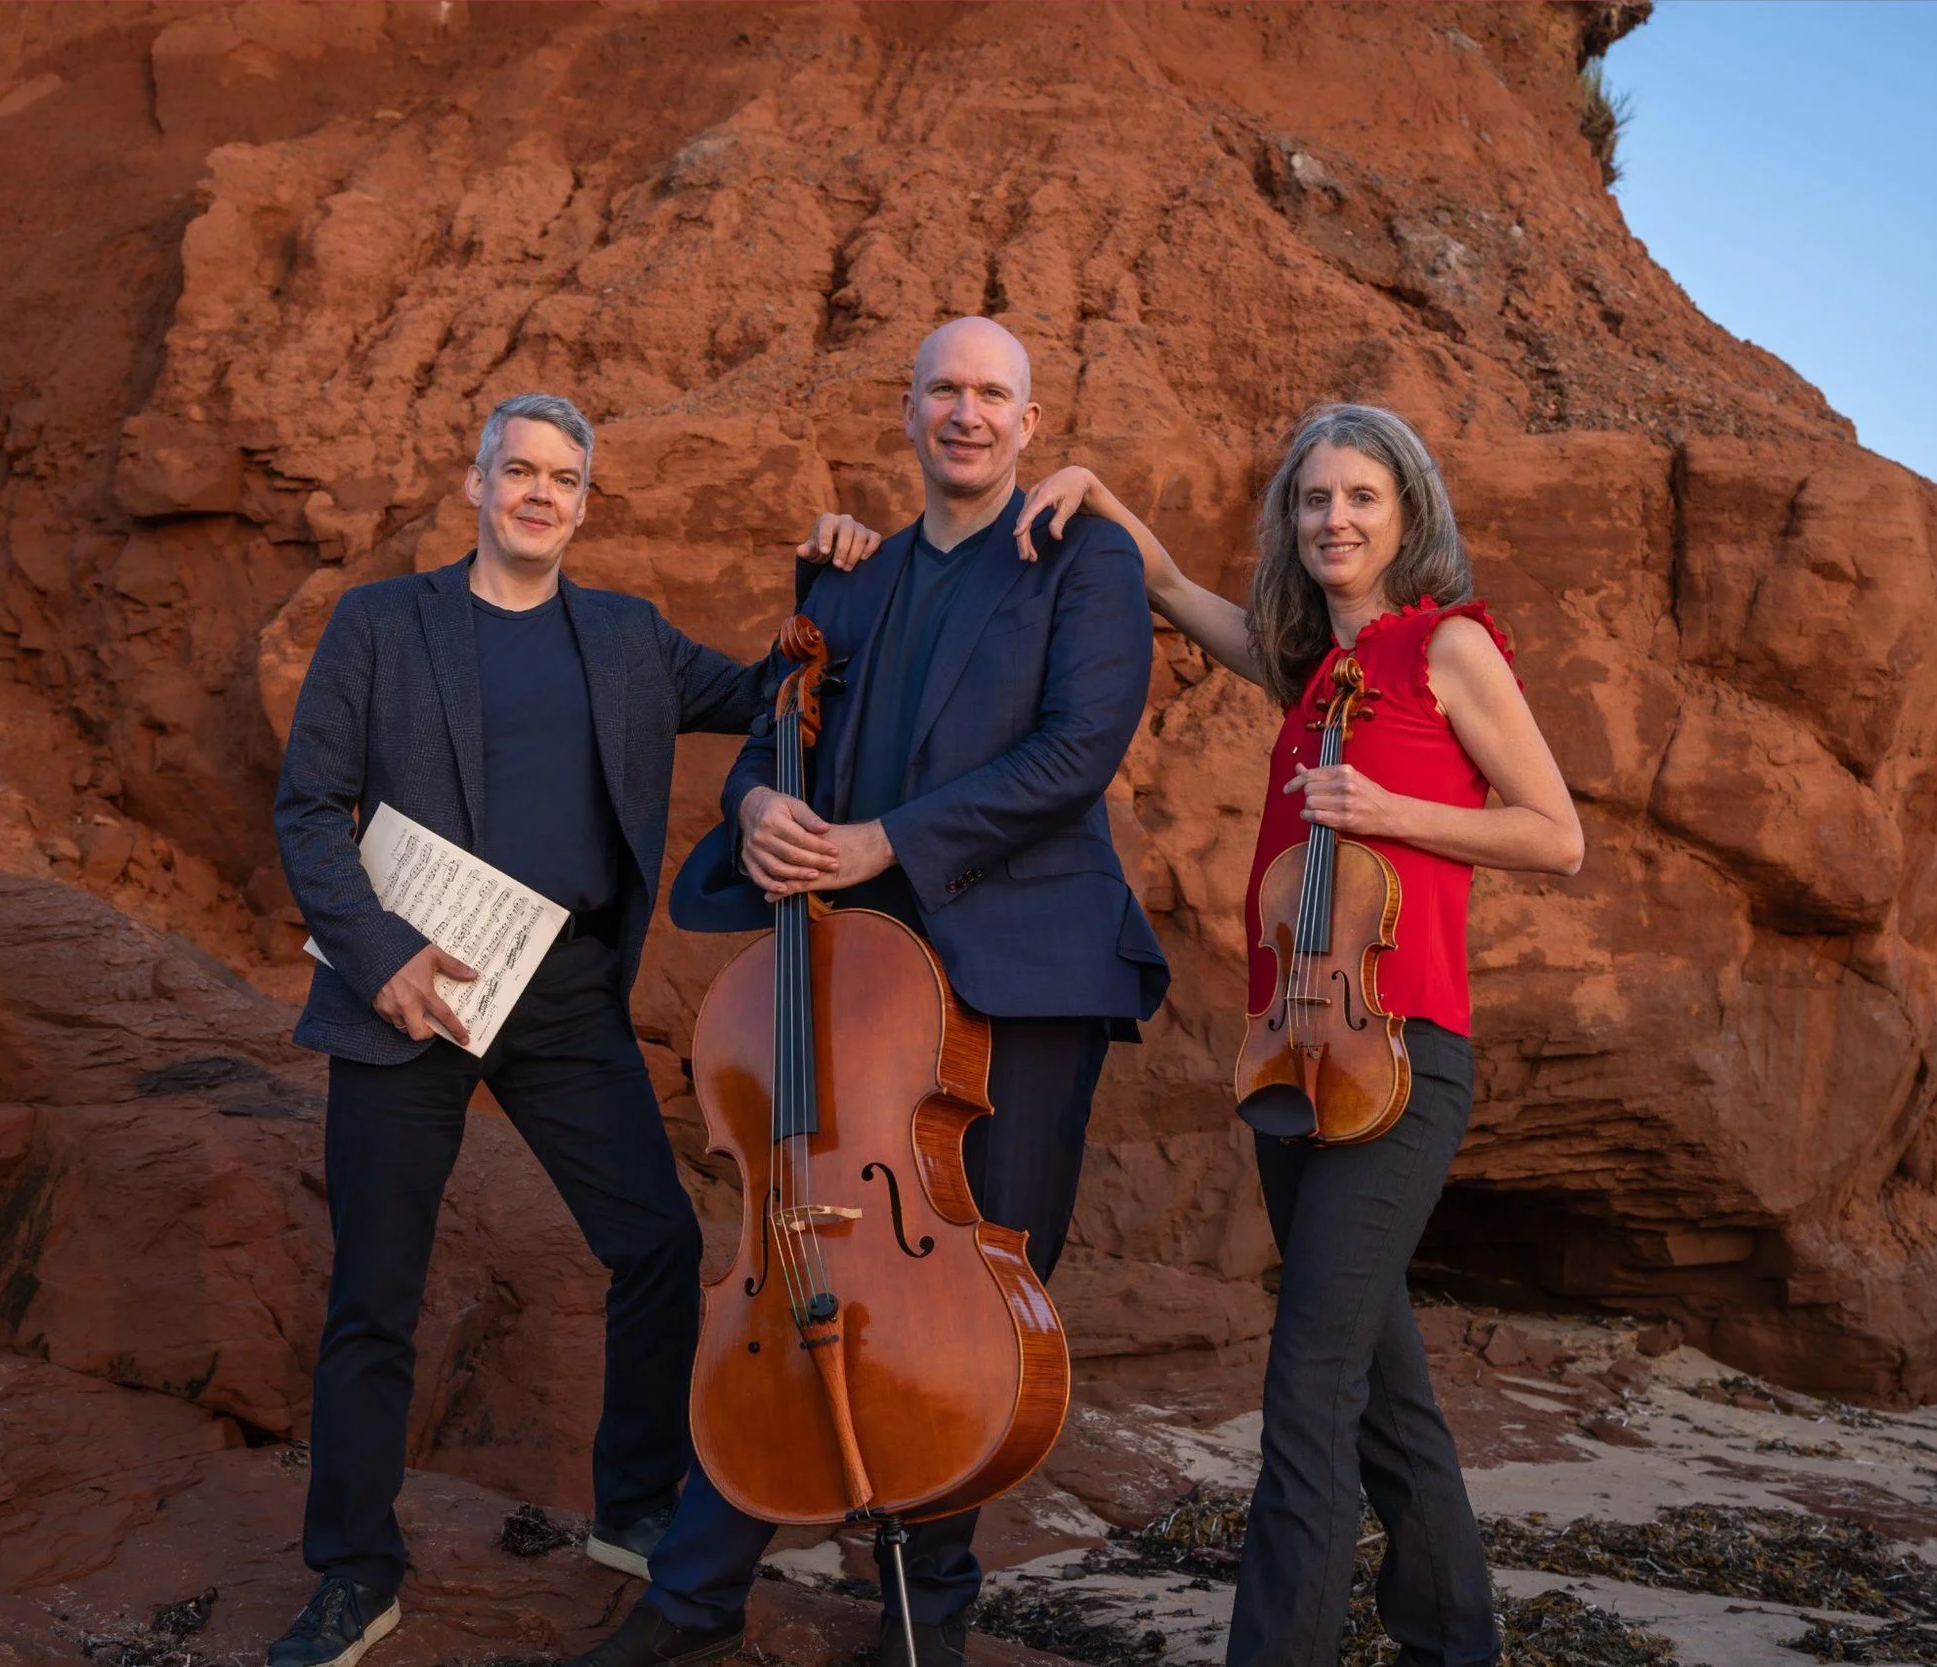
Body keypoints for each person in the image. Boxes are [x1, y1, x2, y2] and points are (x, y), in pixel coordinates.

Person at [568, 317, 1168, 1667]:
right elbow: (767, 744)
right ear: (908, 412)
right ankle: (695, 1593)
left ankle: (922, 1616)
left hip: (1025, 972)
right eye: (944, 389)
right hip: (863, 983)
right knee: (802, 1261)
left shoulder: (1086, 559)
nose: (967, 413)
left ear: (1029, 422)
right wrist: (761, 803)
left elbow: (1078, 749)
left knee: (972, 1299)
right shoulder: (847, 578)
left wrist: (883, 840)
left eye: (993, 394)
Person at [1009, 405, 1585, 1666]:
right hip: (1293, 1062)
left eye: (1362, 496)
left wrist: (1388, 808)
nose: (1335, 518)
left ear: (1408, 513)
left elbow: (1557, 833)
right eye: (1315, 498)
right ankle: (1455, 1642)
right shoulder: (1315, 668)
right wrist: (1095, 488)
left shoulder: (1445, 646)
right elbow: (1172, 589)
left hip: (1404, 1057)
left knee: (1310, 1382)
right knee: (1383, 1394)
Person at [267, 393, 790, 1667]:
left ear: (585, 502)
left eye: (563, 477)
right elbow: (309, 806)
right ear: (477, 483)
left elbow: (775, 689)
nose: (539, 493)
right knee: (376, 1289)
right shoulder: (382, 622)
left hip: (560, 996)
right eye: (519, 470)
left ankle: (632, 1508)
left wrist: (840, 580)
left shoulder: (628, 636)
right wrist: (381, 956)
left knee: (658, 1242)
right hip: (411, 993)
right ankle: (354, 1569)